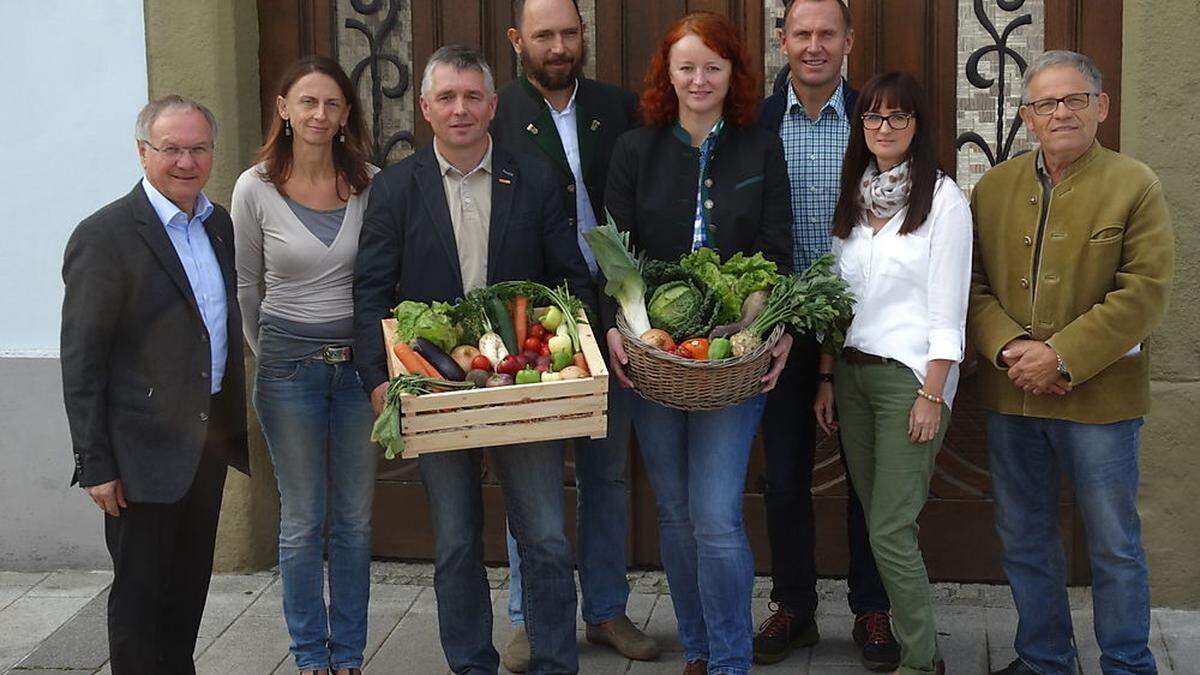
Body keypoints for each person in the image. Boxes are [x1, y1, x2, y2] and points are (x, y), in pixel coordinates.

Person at [353, 45, 595, 675]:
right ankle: (470, 664)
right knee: (457, 542)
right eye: (446, 98)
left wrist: (581, 352)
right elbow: (371, 291)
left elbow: (569, 276)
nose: (460, 109)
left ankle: (553, 663)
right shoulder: (396, 190)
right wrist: (379, 381)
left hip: (523, 383)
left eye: (472, 97)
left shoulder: (535, 177)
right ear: (426, 109)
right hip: (433, 387)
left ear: (492, 105)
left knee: (543, 537)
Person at [969, 50, 1173, 675]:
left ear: (1101, 108)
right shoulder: (993, 187)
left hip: (1100, 401)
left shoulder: (1133, 183)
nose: (1060, 113)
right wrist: (1010, 349)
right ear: (1027, 116)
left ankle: (1128, 664)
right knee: (1026, 539)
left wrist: (1060, 356)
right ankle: (1044, 659)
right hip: (1012, 398)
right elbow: (970, 286)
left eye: (1074, 99)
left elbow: (1145, 292)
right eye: (1045, 103)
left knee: (1113, 545)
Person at [604, 12, 793, 675]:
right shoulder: (635, 149)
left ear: (733, 74)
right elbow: (616, 256)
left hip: (733, 358)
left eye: (713, 66)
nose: (699, 79)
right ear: (668, 73)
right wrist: (615, 325)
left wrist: (774, 327)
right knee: (677, 513)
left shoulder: (760, 148)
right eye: (686, 66)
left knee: (714, 513)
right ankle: (699, 648)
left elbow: (776, 252)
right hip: (654, 358)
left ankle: (733, 658)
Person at [489, 0, 655, 670]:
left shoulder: (618, 107)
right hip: (534, 319)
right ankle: (532, 616)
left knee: (606, 472)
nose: (558, 46)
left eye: (568, 32)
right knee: (530, 476)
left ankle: (608, 609)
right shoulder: (494, 112)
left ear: (583, 35)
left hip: (613, 312)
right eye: (543, 35)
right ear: (515, 40)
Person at [60, 95, 250, 674]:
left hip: (207, 439)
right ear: (143, 153)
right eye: (171, 149)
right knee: (141, 598)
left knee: (188, 589)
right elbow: (82, 360)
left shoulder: (219, 224)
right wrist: (95, 463)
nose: (186, 162)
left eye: (198, 149)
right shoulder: (106, 235)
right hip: (138, 452)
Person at [815, 71, 972, 675]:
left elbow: (948, 308)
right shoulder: (855, 199)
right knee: (875, 515)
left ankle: (921, 659)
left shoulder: (943, 201)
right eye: (874, 118)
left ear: (917, 126)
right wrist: (827, 376)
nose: (885, 128)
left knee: (889, 527)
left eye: (898, 118)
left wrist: (934, 392)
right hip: (853, 378)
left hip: (911, 381)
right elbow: (836, 300)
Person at [755, 0, 897, 668]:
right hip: (780, 324)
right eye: (801, 33)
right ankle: (795, 607)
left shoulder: (881, 117)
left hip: (867, 324)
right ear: (783, 40)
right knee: (783, 475)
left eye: (826, 34)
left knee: (868, 475)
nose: (814, 46)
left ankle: (873, 609)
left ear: (848, 40)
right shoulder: (751, 122)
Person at [231, 56, 378, 675]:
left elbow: (380, 282)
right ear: (284, 109)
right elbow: (245, 285)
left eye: (333, 105)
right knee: (301, 520)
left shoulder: (370, 183)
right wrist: (272, 357)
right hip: (288, 367)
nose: (321, 115)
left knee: (353, 521)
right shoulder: (255, 186)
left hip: (357, 373)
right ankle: (309, 656)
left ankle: (347, 655)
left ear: (347, 116)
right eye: (308, 103)